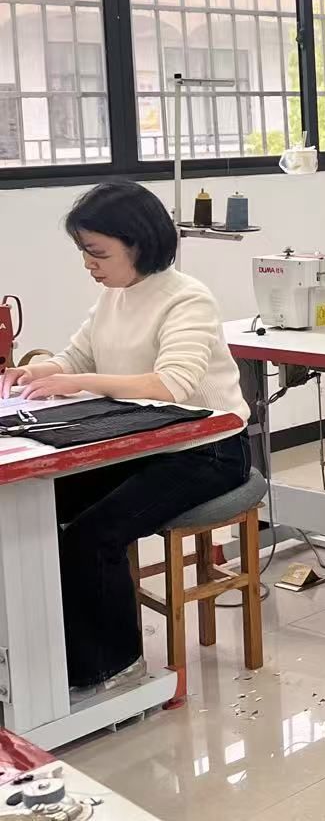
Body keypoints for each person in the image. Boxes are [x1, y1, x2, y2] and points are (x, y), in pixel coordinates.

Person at [0, 182, 250, 696]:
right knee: (30, 512)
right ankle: (42, 652)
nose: (89, 264)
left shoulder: (187, 298)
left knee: (93, 536)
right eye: (83, 252)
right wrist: (39, 371)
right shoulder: (112, 296)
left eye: (98, 252)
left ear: (137, 243)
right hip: (145, 443)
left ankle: (114, 667)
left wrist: (78, 381)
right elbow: (77, 357)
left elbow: (172, 384)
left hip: (207, 449)